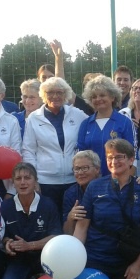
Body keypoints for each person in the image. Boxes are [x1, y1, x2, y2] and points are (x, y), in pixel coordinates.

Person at [73, 139, 140, 279]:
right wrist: (77, 260)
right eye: (110, 157)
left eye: (119, 157)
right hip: (96, 259)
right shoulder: (94, 186)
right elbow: (82, 226)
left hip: (124, 261)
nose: (114, 161)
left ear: (131, 160)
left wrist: (137, 265)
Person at [22, 77, 87, 217]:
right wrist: (34, 179)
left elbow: (93, 124)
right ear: (44, 95)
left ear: (66, 95)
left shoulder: (77, 114)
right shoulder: (34, 118)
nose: (55, 96)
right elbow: (28, 150)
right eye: (50, 92)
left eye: (60, 92)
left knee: (73, 220)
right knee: (50, 223)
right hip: (45, 182)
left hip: (74, 180)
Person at [0, 163, 61, 279]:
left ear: (35, 181)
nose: (23, 182)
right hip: (19, 259)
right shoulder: (5, 207)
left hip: (45, 256)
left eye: (27, 178)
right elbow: (2, 236)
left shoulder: (48, 204)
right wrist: (8, 243)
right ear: (13, 183)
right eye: (18, 178)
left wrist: (30, 245)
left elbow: (55, 236)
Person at [77, 75, 136, 177]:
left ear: (112, 97)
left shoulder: (124, 122)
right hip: (91, 183)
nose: (98, 99)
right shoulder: (85, 124)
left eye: (102, 95)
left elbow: (133, 154)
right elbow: (80, 156)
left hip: (118, 180)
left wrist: (127, 182)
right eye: (94, 97)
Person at [62, 151, 101, 235]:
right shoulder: (70, 193)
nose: (80, 173)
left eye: (85, 168)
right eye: (77, 169)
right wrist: (70, 217)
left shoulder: (109, 187)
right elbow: (67, 233)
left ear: (97, 169)